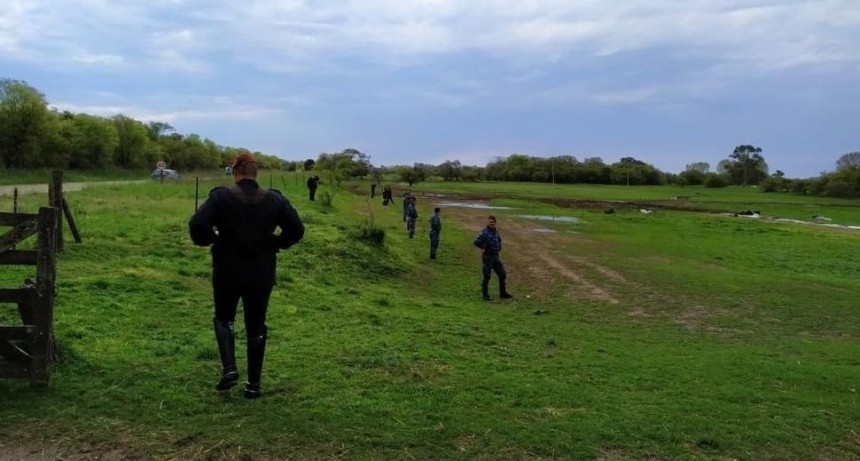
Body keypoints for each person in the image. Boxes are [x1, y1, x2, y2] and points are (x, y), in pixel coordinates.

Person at [189, 151, 305, 399]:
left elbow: (197, 226)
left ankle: (230, 369)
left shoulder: (221, 197)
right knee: (256, 324)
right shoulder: (274, 200)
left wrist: (214, 239)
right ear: (256, 173)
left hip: (227, 269)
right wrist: (276, 243)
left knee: (224, 318)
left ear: (235, 171)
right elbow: (296, 229)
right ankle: (253, 385)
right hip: (261, 272)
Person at [473, 215, 513, 301]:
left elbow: (499, 240)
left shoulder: (495, 232)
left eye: (493, 222)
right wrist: (482, 247)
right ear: (487, 222)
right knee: (487, 276)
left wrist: (499, 247)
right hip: (488, 257)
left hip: (496, 257)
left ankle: (503, 293)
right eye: (490, 222)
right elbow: (476, 242)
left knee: (502, 274)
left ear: (495, 223)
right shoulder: (484, 232)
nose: (492, 223)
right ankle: (485, 295)